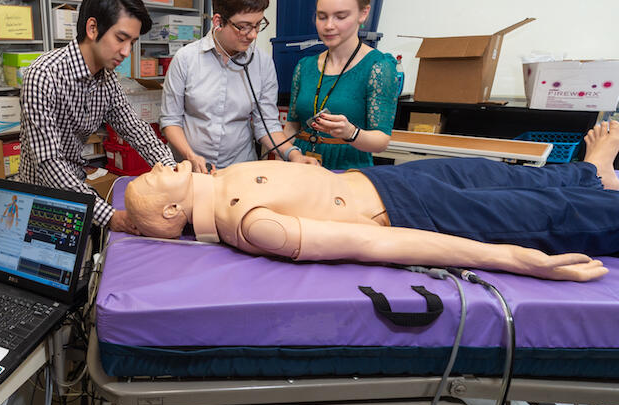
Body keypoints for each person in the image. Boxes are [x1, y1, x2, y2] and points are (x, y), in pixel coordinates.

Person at [122, 122, 619, 282]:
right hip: (408, 213)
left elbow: (129, 218)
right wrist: (513, 259)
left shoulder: (215, 177)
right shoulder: (252, 226)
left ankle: (590, 173)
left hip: (382, 180)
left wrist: (125, 218)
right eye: (152, 181)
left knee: (503, 176)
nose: (155, 168)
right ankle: (600, 198)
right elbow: (374, 244)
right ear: (172, 212)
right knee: (542, 216)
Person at [20, 0, 175, 235]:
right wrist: (108, 215)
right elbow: (49, 164)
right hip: (42, 199)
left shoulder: (107, 79)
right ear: (93, 28)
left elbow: (135, 129)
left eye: (132, 43)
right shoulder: (43, 76)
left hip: (77, 188)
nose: (127, 52)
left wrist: (169, 168)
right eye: (121, 38)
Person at [160, 0, 319, 172]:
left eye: (258, 25)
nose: (252, 35)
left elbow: (267, 123)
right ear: (218, 21)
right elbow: (170, 121)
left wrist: (293, 154)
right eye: (243, 27)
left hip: (240, 168)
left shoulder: (262, 63)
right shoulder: (186, 59)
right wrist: (191, 156)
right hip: (190, 167)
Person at [285, 0, 400, 169]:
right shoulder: (304, 66)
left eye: (340, 17)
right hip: (303, 168)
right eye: (322, 17)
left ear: (363, 14)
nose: (329, 26)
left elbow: (381, 140)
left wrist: (351, 132)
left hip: (348, 171)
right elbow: (292, 126)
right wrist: (286, 158)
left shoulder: (378, 67)